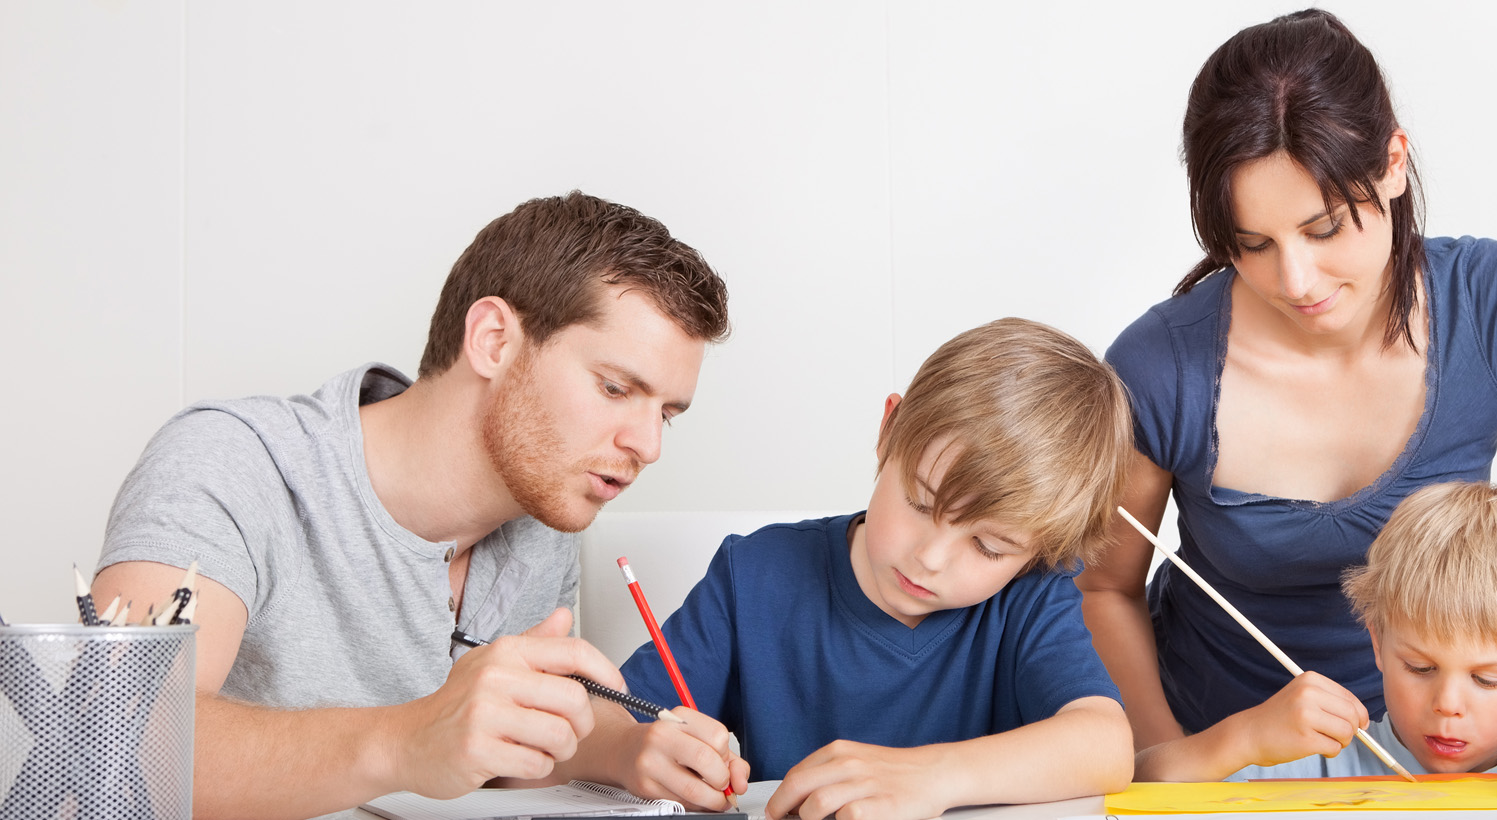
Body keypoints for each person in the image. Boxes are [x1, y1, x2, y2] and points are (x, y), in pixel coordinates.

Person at [1076, 8, 1497, 804]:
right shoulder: (1159, 364)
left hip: (1432, 771)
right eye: (1253, 244)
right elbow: (1103, 587)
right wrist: (1173, 763)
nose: (1295, 280)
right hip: (1231, 773)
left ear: (1394, 162)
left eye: (1325, 226)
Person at [91, 191, 736, 820]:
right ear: (492, 339)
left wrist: (628, 749)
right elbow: (121, 733)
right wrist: (405, 741)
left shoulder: (542, 520)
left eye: (667, 416)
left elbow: (502, 739)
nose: (647, 446)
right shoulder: (231, 463)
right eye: (616, 387)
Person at [587, 318, 1135, 820]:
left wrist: (931, 777)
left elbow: (1105, 745)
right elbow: (603, 719)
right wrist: (629, 751)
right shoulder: (753, 575)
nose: (932, 557)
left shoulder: (1030, 597)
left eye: (989, 546)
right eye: (921, 503)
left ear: (1039, 552)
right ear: (888, 430)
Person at [1137, 482, 1497, 781]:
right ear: (1375, 641)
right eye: (1420, 668)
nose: (1448, 705)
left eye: (1487, 678)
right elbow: (1140, 781)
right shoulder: (1319, 759)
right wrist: (1241, 739)